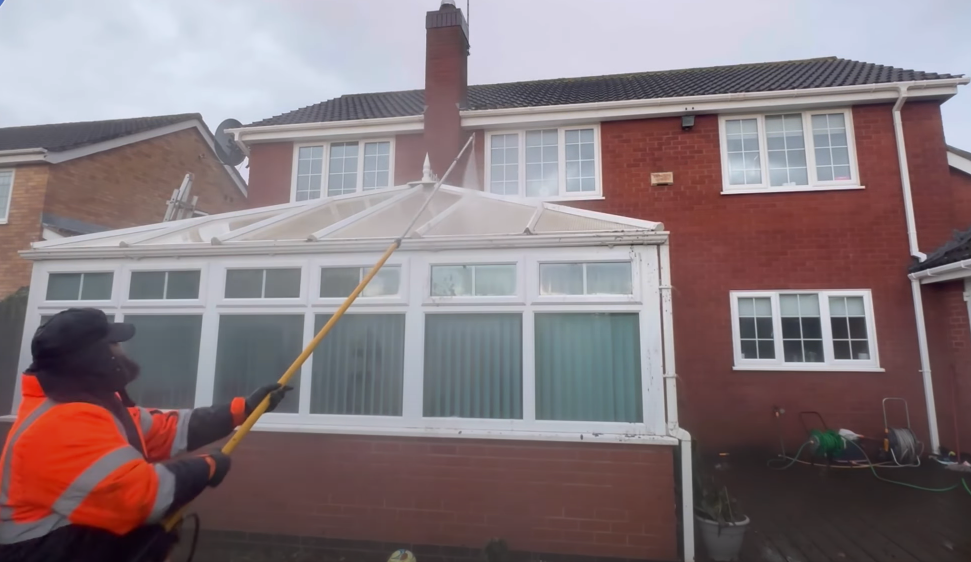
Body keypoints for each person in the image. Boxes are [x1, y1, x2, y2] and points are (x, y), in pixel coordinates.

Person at [0, 308, 292, 562]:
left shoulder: (92, 405)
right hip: (41, 553)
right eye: (113, 343)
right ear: (95, 357)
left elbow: (167, 430)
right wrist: (207, 467)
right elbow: (141, 498)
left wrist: (241, 410)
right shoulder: (63, 422)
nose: (121, 351)